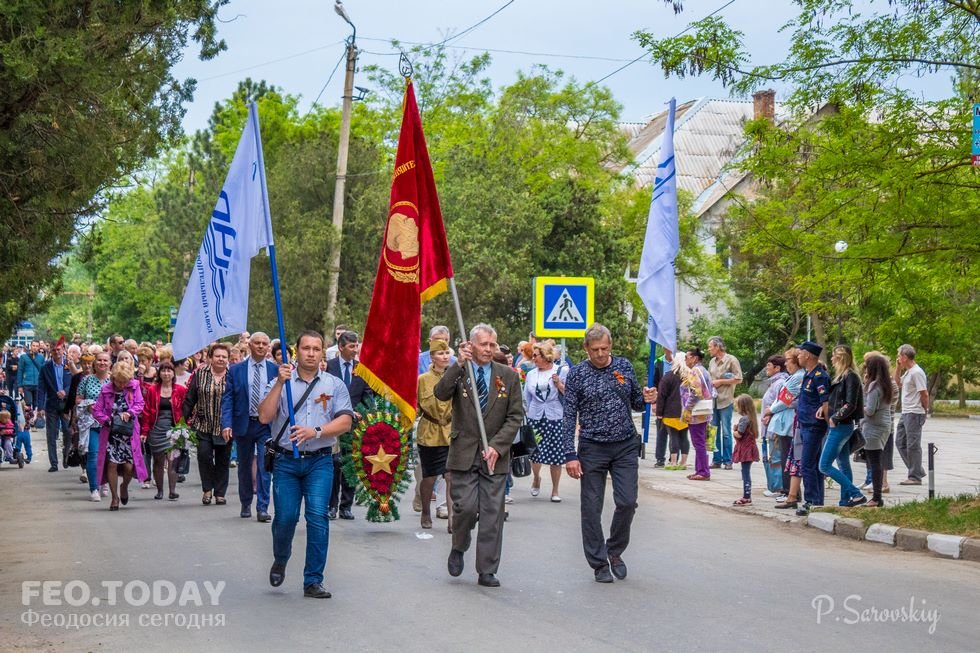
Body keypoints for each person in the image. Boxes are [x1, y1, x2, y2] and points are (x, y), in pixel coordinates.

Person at [259, 330, 353, 599]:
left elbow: (345, 421)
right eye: (306, 348)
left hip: (320, 461)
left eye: (316, 348)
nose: (310, 353)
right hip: (286, 462)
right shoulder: (281, 380)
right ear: (296, 351)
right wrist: (278, 383)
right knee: (286, 518)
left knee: (317, 517)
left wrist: (317, 431)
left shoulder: (333, 384)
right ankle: (281, 556)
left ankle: (313, 579)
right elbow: (264, 417)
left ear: (323, 352)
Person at [561, 324, 656, 583]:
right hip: (592, 447)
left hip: (625, 444)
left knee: (627, 502)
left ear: (610, 345)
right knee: (591, 507)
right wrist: (569, 453)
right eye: (595, 350)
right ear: (586, 349)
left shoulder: (623, 367)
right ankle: (599, 562)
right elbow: (569, 415)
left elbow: (636, 401)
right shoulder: (578, 374)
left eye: (604, 348)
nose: (600, 354)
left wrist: (648, 396)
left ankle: (614, 550)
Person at [435, 323, 523, 588]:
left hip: (494, 456)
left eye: (491, 345)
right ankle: (459, 545)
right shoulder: (462, 371)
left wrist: (497, 445)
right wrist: (458, 364)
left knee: (492, 513)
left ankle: (487, 568)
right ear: (470, 345)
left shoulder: (507, 375)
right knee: (466, 508)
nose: (488, 349)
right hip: (464, 453)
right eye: (483, 344)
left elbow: (515, 415)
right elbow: (440, 394)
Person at [222, 332, 278, 521]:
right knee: (244, 466)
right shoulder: (236, 370)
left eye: (264, 343)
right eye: (257, 343)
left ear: (268, 347)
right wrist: (226, 423)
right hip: (243, 424)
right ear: (250, 345)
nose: (261, 346)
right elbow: (228, 398)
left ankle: (262, 507)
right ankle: (246, 502)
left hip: (267, 427)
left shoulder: (275, 370)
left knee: (266, 466)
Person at [325, 330, 372, 521]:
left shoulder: (362, 369)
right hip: (333, 424)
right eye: (351, 346)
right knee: (334, 464)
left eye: (356, 345)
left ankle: (346, 505)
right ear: (341, 347)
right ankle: (331, 505)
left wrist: (366, 413)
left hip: (355, 425)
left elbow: (368, 395)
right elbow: (324, 394)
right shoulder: (329, 367)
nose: (355, 350)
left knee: (350, 466)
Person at [92, 362, 147, 511]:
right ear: (113, 378)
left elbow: (140, 403)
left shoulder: (134, 386)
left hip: (128, 434)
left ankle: (124, 487)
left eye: (125, 381)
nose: (122, 384)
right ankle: (114, 497)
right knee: (112, 464)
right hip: (111, 434)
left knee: (129, 467)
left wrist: (130, 413)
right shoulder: (106, 390)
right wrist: (107, 420)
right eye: (119, 381)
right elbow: (97, 410)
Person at [183, 342, 232, 506]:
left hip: (225, 427)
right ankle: (207, 490)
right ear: (210, 358)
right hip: (203, 424)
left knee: (222, 460)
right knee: (204, 456)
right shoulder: (200, 374)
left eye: (224, 357)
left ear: (228, 359)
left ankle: (220, 493)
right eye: (217, 356)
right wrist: (182, 422)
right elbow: (190, 399)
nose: (221, 359)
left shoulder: (232, 375)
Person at [819, 345, 866, 507]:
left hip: (840, 425)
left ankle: (856, 493)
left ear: (840, 358)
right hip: (842, 424)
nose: (831, 359)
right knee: (843, 463)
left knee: (824, 465)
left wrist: (835, 417)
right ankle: (845, 500)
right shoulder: (843, 376)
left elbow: (850, 403)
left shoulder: (850, 376)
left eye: (833, 356)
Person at [523, 339, 568, 502]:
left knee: (556, 454)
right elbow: (526, 397)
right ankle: (536, 478)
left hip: (555, 416)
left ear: (546, 356)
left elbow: (570, 395)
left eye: (536, 356)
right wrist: (528, 414)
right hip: (536, 417)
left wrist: (559, 384)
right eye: (533, 356)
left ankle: (555, 490)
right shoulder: (531, 374)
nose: (534, 359)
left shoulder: (560, 371)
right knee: (535, 453)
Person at [416, 339, 454, 530]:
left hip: (450, 432)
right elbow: (415, 407)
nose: (445, 356)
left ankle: (452, 518)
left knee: (450, 476)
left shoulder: (456, 376)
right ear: (432, 357)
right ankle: (425, 511)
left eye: (447, 353)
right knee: (429, 477)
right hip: (429, 432)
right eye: (440, 353)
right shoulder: (423, 379)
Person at [141, 361, 187, 501]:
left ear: (173, 373)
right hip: (156, 429)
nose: (166, 373)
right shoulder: (152, 390)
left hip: (174, 430)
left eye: (169, 371)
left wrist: (185, 427)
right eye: (163, 371)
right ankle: (160, 490)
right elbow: (147, 411)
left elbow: (186, 410)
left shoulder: (180, 390)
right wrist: (144, 431)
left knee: (173, 461)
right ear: (159, 373)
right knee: (158, 462)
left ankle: (172, 491)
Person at [795, 340, 830, 514]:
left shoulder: (819, 376)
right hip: (806, 424)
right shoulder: (808, 375)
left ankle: (811, 500)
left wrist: (827, 421)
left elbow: (826, 402)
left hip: (814, 426)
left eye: (800, 353)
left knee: (807, 464)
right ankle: (817, 501)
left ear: (808, 355)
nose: (798, 356)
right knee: (813, 464)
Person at [772, 349, 805, 510]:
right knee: (786, 456)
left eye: (788, 360)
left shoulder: (798, 377)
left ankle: (790, 492)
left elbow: (786, 399)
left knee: (788, 457)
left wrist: (770, 411)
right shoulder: (794, 376)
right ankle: (790, 491)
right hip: (785, 421)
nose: (785, 363)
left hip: (789, 422)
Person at [78, 352, 112, 501]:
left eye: (105, 360)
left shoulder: (114, 380)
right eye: (99, 360)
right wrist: (87, 404)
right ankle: (94, 488)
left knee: (109, 457)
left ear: (110, 363)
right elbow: (78, 399)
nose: (102, 363)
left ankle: (105, 482)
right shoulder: (86, 380)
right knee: (93, 455)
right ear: (94, 363)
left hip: (110, 424)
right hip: (92, 423)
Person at [862, 353, 894, 507]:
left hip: (873, 427)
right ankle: (877, 495)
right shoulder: (885, 384)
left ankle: (876, 497)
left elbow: (870, 410)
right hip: (884, 425)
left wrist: (857, 408)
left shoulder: (874, 386)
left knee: (874, 462)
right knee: (877, 460)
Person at [37, 340, 73, 472]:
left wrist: (66, 391)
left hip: (67, 404)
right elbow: (41, 388)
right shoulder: (45, 367)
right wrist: (40, 407)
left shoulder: (70, 365)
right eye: (54, 350)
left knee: (68, 432)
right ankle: (53, 463)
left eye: (59, 350)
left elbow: (76, 382)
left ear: (63, 350)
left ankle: (66, 455)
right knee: (51, 434)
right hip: (51, 404)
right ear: (50, 352)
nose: (57, 352)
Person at [894, 344, 928, 485]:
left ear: (905, 357)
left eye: (898, 355)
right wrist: (898, 368)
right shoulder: (908, 372)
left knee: (912, 444)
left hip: (914, 412)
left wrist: (924, 411)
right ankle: (917, 470)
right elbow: (897, 383)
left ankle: (915, 477)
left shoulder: (916, 372)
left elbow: (924, 393)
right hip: (906, 412)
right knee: (900, 442)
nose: (897, 357)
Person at [707, 336, 742, 470]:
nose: (709, 349)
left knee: (726, 431)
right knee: (713, 430)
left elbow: (739, 378)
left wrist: (721, 382)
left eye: (710, 346)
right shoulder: (712, 362)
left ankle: (728, 460)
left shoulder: (731, 360)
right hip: (713, 400)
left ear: (717, 347)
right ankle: (716, 459)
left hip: (725, 399)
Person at [684, 347, 714, 481]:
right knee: (700, 441)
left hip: (696, 412)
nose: (685, 360)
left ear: (694, 358)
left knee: (699, 442)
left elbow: (695, 392)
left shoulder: (695, 371)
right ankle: (700, 469)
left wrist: (687, 407)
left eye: (687, 357)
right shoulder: (704, 371)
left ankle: (703, 471)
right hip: (704, 411)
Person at [760, 355, 789, 497]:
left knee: (775, 457)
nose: (767, 368)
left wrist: (770, 414)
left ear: (777, 368)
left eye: (769, 365)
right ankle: (773, 486)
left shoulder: (780, 383)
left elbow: (780, 404)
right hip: (768, 426)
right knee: (771, 456)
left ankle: (778, 487)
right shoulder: (773, 383)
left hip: (775, 427)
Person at [655, 356, 690, 470]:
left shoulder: (668, 377)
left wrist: (659, 413)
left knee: (673, 436)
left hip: (670, 412)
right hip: (686, 412)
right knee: (684, 437)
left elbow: (661, 396)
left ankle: (673, 462)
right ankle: (683, 462)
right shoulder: (689, 376)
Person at [731, 394, 761, 505]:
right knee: (746, 472)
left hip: (745, 448)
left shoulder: (744, 419)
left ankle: (746, 496)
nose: (736, 408)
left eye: (737, 405)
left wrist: (734, 431)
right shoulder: (751, 417)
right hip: (750, 447)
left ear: (742, 406)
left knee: (745, 473)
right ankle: (746, 495)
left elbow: (739, 434)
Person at [16, 341, 45, 412]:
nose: (35, 347)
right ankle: (27, 420)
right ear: (30, 346)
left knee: (37, 405)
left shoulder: (41, 357)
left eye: (37, 346)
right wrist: (19, 385)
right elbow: (20, 371)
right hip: (27, 383)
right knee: (28, 404)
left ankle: (35, 421)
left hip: (38, 384)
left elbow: (43, 371)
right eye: (33, 345)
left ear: (39, 347)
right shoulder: (23, 357)